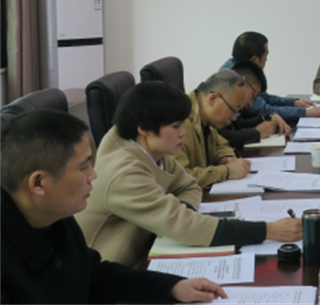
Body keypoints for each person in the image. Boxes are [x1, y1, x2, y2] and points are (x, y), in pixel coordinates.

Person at [0, 110, 227, 304]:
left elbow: (92, 275)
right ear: (39, 183)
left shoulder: (53, 214)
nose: (93, 175)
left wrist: (171, 287)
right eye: (83, 167)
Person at [76, 82, 302, 267]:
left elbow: (189, 185)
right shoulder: (123, 173)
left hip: (146, 254)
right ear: (143, 128)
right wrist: (269, 230)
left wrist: (183, 213)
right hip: (106, 276)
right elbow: (186, 226)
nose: (183, 133)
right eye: (175, 126)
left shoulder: (151, 148)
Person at [221, 31, 320, 121]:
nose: (266, 59)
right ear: (254, 59)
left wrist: (292, 102)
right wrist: (305, 112)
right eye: (266, 55)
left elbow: (263, 97)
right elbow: (264, 110)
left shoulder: (235, 67)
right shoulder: (236, 78)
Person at [175, 69, 253, 188]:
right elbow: (178, 178)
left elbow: (221, 144)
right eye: (233, 111)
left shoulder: (206, 116)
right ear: (213, 99)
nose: (234, 118)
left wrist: (225, 157)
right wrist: (226, 172)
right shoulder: (178, 124)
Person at [218, 61, 291, 149]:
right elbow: (223, 137)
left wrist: (269, 117)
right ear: (242, 82)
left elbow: (239, 124)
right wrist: (257, 133)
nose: (251, 103)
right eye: (253, 96)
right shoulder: (219, 100)